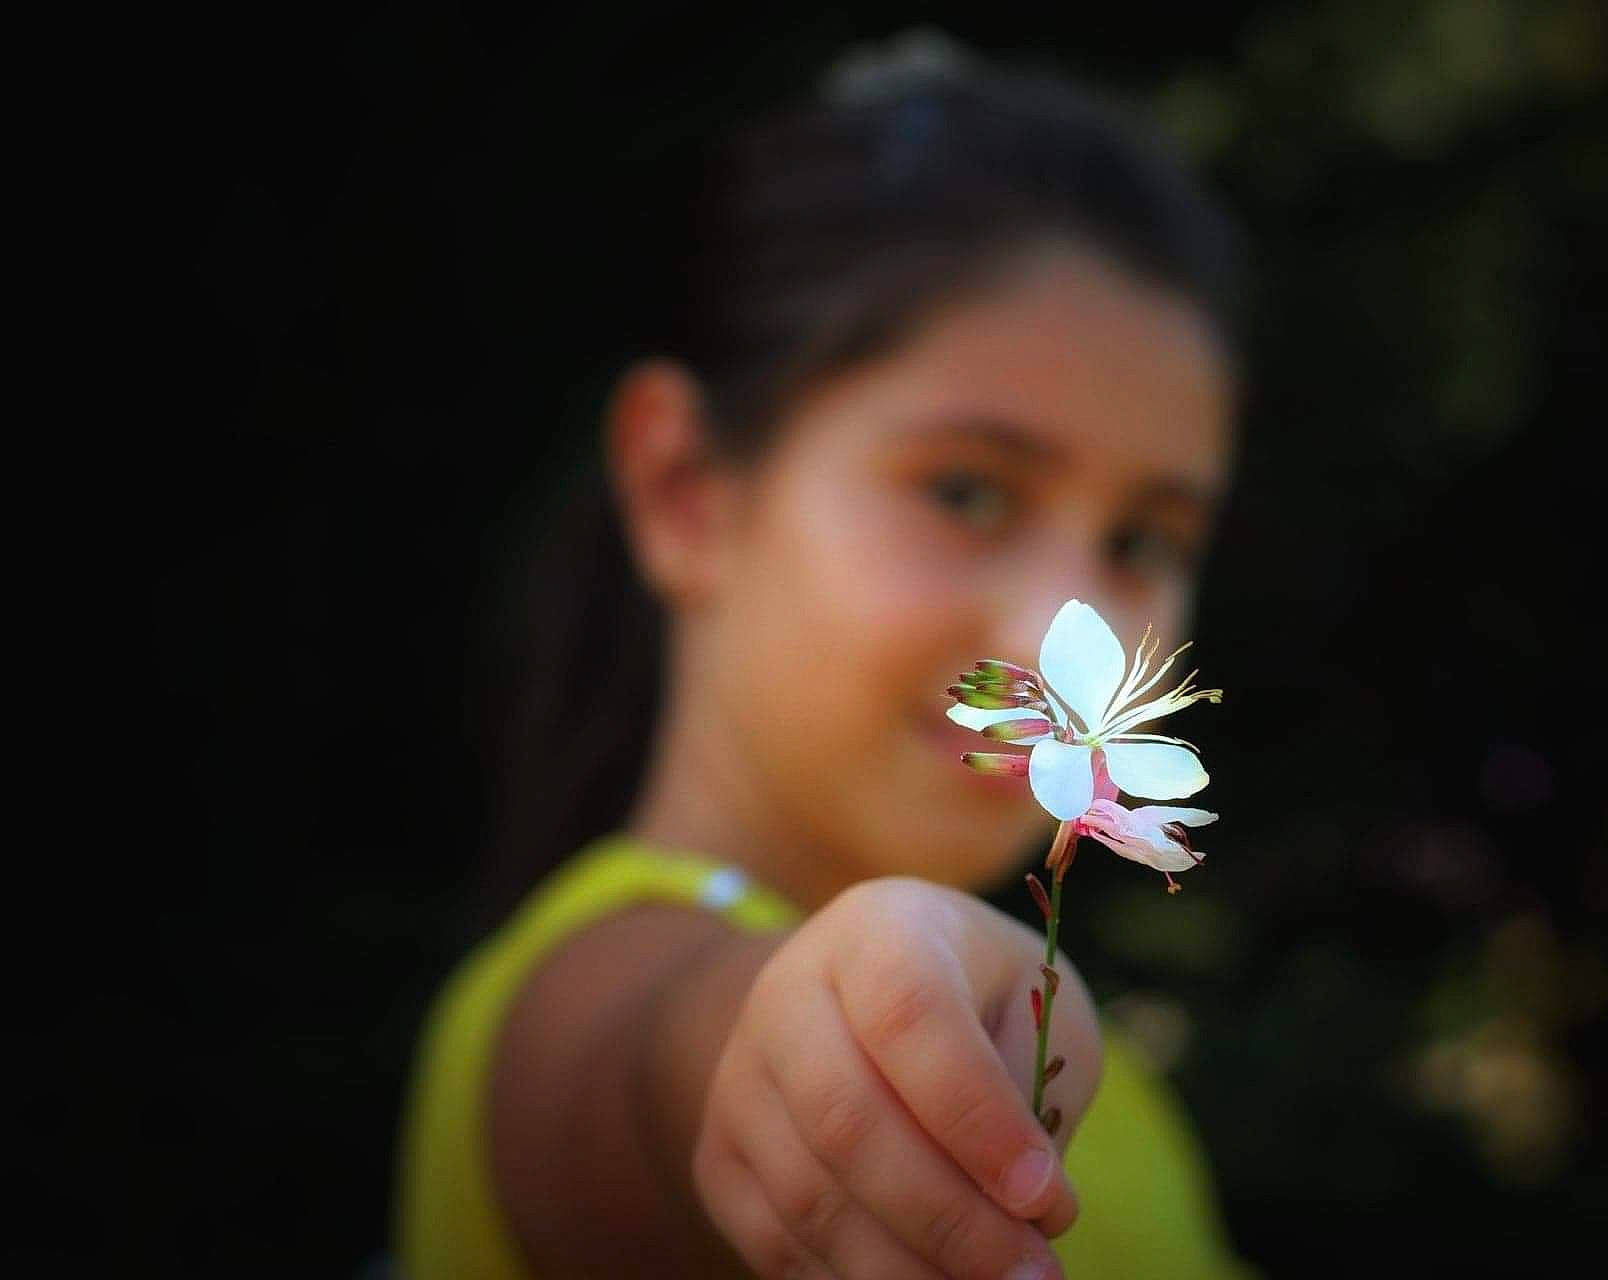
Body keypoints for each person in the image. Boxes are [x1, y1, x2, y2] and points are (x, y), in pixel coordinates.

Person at [393, 29, 1263, 1280]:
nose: (1060, 633)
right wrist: (830, 1009)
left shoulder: (1074, 1058)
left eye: (1141, 537)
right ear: (686, 487)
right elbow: (681, 1066)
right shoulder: (589, 1002)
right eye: (967, 491)